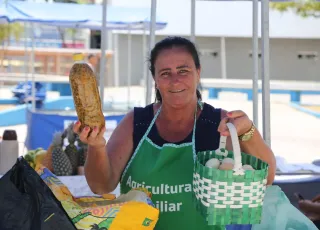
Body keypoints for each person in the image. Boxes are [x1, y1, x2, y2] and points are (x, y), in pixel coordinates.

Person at [74, 36, 276, 230]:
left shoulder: (219, 123)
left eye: (183, 70)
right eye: (165, 73)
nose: (175, 80)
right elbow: (101, 186)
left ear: (198, 72)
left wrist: (249, 131)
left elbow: (266, 178)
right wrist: (96, 145)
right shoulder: (137, 122)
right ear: (155, 79)